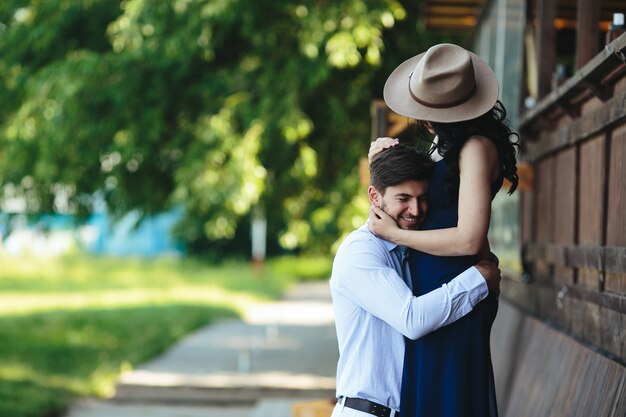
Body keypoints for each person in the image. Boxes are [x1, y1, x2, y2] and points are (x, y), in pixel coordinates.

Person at [368, 43, 519, 417]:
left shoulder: (475, 148)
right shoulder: (447, 145)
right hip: (429, 286)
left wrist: (396, 236)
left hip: (454, 285)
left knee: (447, 399)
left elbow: (468, 236)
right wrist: (383, 160)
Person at [330, 143, 502, 417]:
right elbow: (412, 318)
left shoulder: (405, 251)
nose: (416, 209)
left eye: (422, 198)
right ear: (374, 196)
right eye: (403, 198)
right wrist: (477, 279)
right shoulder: (359, 252)